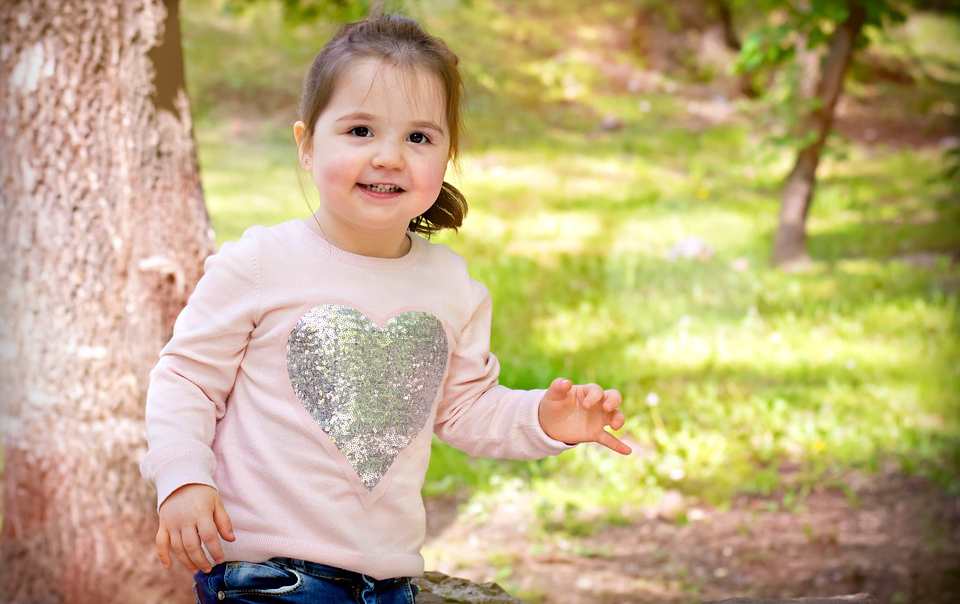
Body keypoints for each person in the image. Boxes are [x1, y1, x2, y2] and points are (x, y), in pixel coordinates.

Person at [140, 13, 631, 604]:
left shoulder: (450, 284)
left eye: (419, 137)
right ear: (306, 145)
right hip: (268, 574)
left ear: (448, 155)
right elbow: (186, 380)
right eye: (360, 131)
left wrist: (545, 421)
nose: (390, 156)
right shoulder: (261, 262)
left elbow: (466, 408)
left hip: (386, 583)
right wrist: (183, 479)